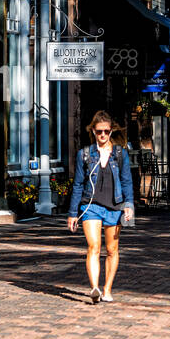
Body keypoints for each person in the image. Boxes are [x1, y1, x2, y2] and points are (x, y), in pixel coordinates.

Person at [67, 110, 135, 304]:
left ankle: (107, 289)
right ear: (93, 132)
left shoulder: (120, 154)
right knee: (93, 246)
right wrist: (73, 214)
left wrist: (128, 205)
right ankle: (94, 288)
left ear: (111, 131)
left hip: (114, 206)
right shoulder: (85, 155)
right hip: (91, 206)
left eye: (106, 131)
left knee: (112, 250)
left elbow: (127, 181)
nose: (103, 135)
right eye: (99, 132)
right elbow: (78, 184)